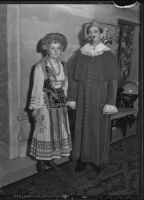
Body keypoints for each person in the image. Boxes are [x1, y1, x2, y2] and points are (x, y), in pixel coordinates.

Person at [67, 19, 121, 174]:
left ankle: (97, 160)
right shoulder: (81, 54)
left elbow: (113, 81)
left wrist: (110, 102)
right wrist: (72, 98)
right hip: (83, 99)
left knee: (99, 130)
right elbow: (74, 80)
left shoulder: (108, 55)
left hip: (101, 100)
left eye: (95, 31)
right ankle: (82, 160)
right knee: (81, 128)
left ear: (101, 34)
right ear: (87, 35)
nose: (92, 34)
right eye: (89, 32)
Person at [28, 33, 72, 173]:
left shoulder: (63, 66)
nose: (56, 50)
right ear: (47, 49)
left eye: (58, 48)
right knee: (45, 132)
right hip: (46, 105)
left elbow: (65, 86)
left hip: (60, 105)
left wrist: (66, 100)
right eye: (53, 48)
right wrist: (36, 107)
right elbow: (37, 88)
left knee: (57, 132)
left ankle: (50, 159)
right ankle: (41, 162)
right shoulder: (40, 66)